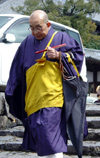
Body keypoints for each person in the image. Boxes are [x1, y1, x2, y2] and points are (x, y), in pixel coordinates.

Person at [5, 10, 87, 158]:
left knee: (51, 139)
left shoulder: (62, 38)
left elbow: (78, 58)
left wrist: (59, 55)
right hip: (33, 101)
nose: (35, 31)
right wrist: (12, 91)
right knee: (41, 142)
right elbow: (17, 70)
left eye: (38, 27)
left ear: (48, 24)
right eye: (31, 27)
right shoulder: (26, 44)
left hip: (53, 99)